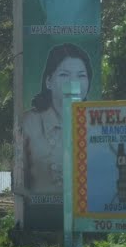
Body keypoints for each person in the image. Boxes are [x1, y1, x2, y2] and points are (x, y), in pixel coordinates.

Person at [21, 43, 92, 200]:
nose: (74, 82)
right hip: (40, 216)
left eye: (81, 75)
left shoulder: (97, 124)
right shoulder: (28, 124)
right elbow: (20, 180)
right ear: (49, 82)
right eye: (64, 75)